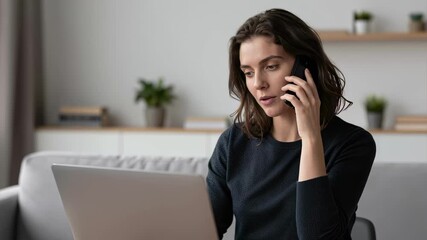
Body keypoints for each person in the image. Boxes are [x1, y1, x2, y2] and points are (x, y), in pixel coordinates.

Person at [206, 8, 376, 240]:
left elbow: (318, 236)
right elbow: (203, 229)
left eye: (271, 66)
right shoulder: (232, 142)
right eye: (248, 72)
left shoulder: (353, 144)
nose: (258, 84)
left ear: (304, 66)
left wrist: (311, 137)